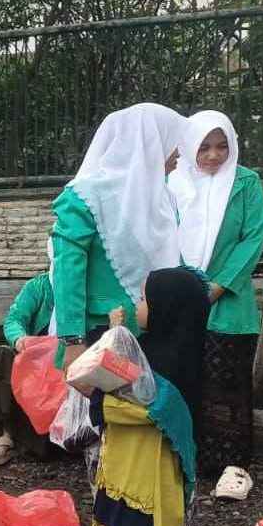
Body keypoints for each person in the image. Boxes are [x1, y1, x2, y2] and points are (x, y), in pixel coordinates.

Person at [83, 267, 209, 526]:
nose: (139, 305)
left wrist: (101, 400)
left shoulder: (161, 361)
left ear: (165, 307)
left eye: (144, 299)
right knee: (119, 522)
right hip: (127, 463)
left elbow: (146, 410)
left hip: (144, 469)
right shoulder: (182, 352)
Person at [168, 110, 263, 492]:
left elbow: (252, 239)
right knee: (184, 380)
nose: (213, 155)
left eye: (222, 146)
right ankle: (186, 457)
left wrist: (218, 286)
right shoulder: (173, 184)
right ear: (189, 148)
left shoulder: (246, 183)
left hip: (228, 301)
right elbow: (162, 234)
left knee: (228, 382)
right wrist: (180, 289)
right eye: (204, 147)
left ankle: (234, 466)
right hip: (180, 300)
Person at [50, 102, 187, 359]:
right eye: (171, 141)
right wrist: (72, 340)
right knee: (103, 400)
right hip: (99, 333)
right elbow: (67, 271)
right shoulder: (84, 197)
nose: (178, 152)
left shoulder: (164, 199)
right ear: (146, 143)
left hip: (157, 332)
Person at [0, 248, 56, 466]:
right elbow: (14, 319)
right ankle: (7, 435)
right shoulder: (39, 286)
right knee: (0, 356)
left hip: (68, 361)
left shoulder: (88, 288)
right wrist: (21, 340)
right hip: (34, 359)